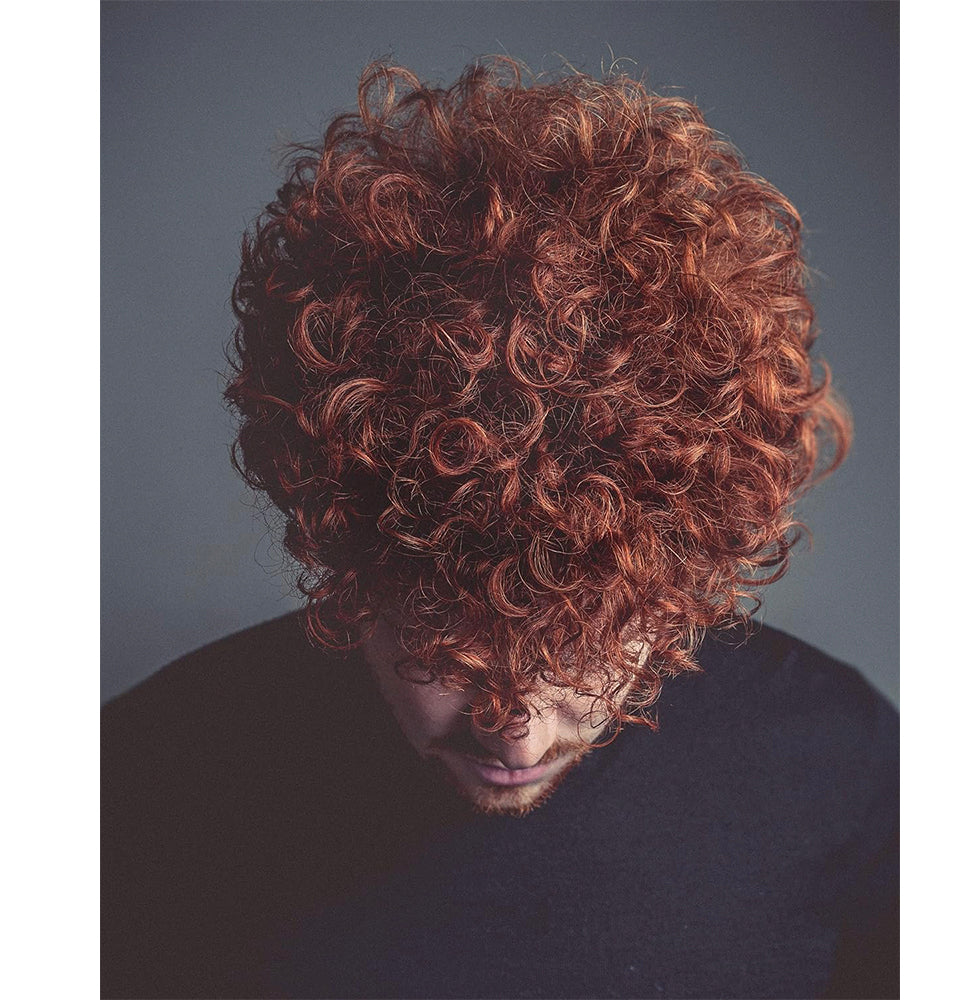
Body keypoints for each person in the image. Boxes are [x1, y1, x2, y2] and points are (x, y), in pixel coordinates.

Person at [102, 60, 898, 999]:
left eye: (580, 644)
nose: (515, 735)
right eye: (451, 646)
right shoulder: (147, 782)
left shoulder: (843, 769)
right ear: (348, 558)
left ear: (678, 582)